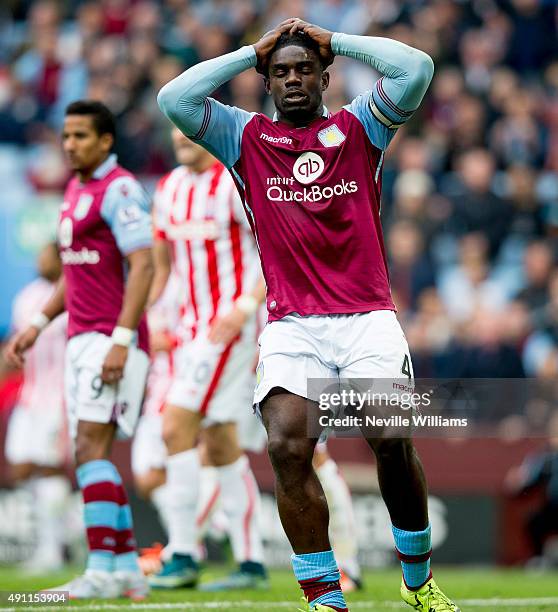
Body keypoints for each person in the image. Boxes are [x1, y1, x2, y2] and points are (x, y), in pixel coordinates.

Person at [157, 18, 460, 611]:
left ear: (324, 77)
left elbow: (417, 67)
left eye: (303, 69)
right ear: (266, 83)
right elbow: (175, 98)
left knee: (390, 433)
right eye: (280, 72)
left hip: (367, 316)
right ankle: (324, 598)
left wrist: (336, 40)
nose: (292, 79)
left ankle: (418, 582)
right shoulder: (243, 139)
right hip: (293, 326)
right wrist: (251, 50)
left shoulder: (360, 127)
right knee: (286, 447)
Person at [5, 100, 153, 600]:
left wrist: (122, 339)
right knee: (89, 450)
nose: (70, 145)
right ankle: (128, 569)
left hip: (110, 339)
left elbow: (145, 267)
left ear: (105, 141)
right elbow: (74, 271)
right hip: (79, 337)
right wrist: (39, 323)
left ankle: (99, 570)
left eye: (81, 137)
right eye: (66, 136)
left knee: (89, 449)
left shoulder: (121, 189)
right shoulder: (75, 189)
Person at [147, 129, 268, 591]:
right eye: (172, 129)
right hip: (189, 329)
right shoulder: (167, 189)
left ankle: (181, 554)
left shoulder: (235, 184)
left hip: (228, 329)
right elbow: (163, 267)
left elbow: (271, 248)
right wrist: (154, 317)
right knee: (219, 441)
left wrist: (244, 307)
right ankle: (252, 562)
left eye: (187, 128)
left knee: (175, 425)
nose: (179, 137)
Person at [4, 243, 71, 572]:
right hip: (29, 396)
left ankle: (52, 551)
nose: (40, 261)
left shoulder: (74, 294)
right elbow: (16, 344)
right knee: (20, 466)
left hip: (58, 397)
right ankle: (72, 531)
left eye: (46, 255)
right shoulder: (27, 295)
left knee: (49, 467)